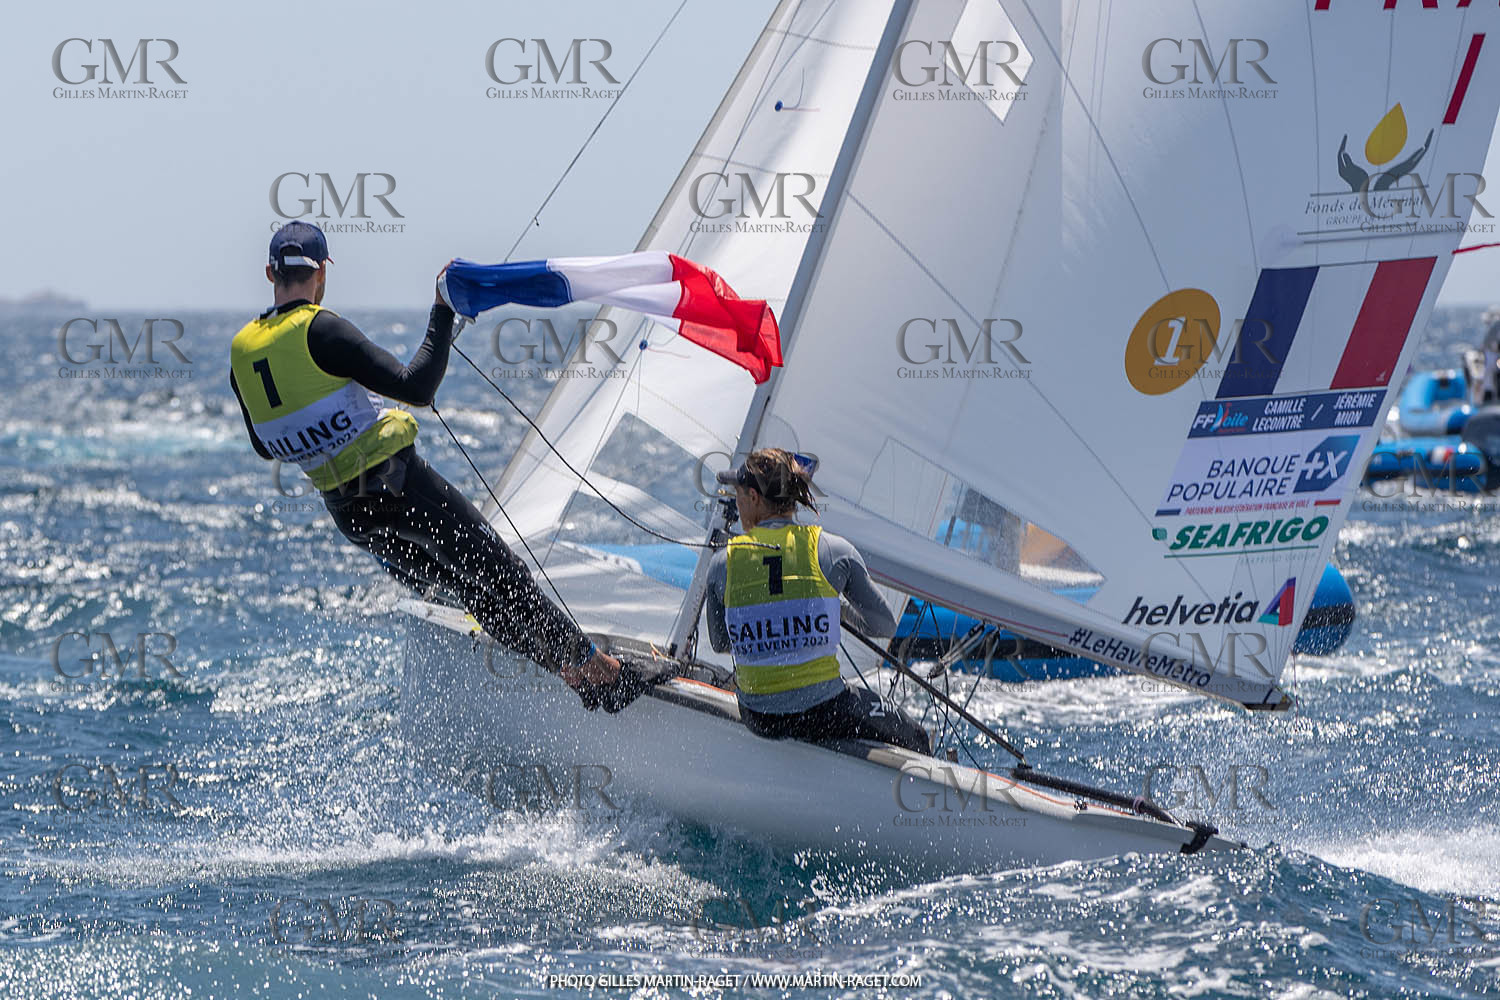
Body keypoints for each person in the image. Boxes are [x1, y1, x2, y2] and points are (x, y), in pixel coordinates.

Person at [229, 221, 640, 709]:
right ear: (321, 273)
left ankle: (572, 674)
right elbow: (417, 386)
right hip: (397, 488)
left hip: (350, 515)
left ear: (270, 273)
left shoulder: (241, 351)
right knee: (499, 573)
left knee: (472, 592)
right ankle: (601, 669)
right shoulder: (321, 330)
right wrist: (442, 310)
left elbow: (265, 446)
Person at [704, 448, 931, 753]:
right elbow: (883, 626)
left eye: (738, 495)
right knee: (916, 736)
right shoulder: (834, 550)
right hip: (822, 714)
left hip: (759, 718)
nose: (737, 503)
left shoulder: (722, 563)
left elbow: (720, 643)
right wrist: (838, 612)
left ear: (754, 497)